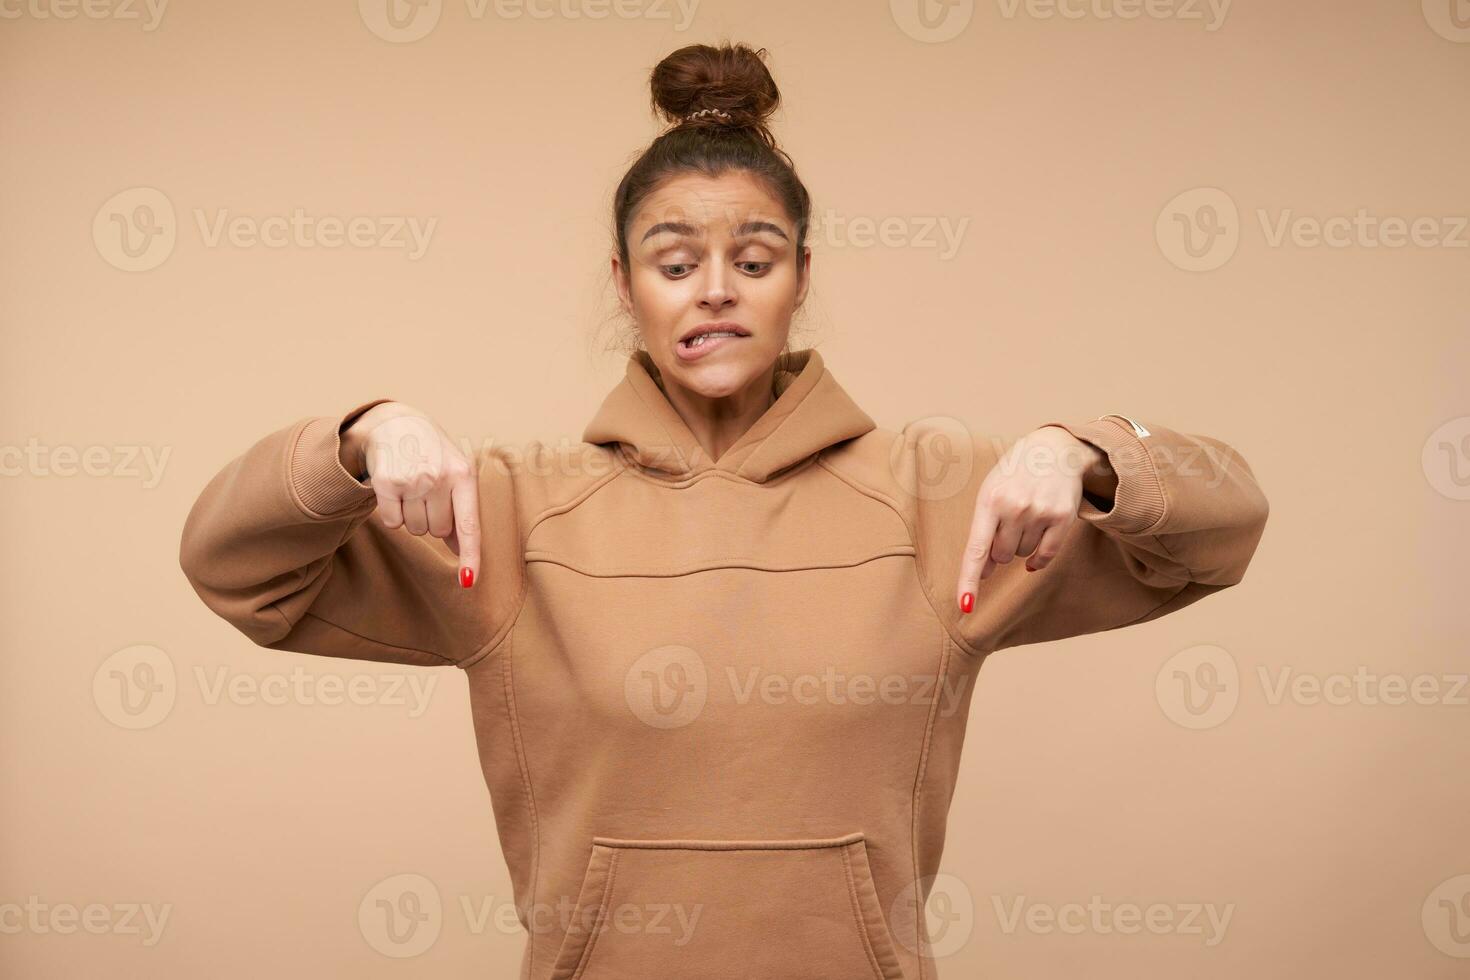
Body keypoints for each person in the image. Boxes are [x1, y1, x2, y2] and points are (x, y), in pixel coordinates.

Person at [179, 41, 1269, 980]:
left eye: (752, 258)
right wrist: (359, 435)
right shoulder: (508, 505)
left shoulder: (940, 494)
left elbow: (1216, 537)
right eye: (675, 260)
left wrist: (1087, 451)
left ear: (799, 275)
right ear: (625, 282)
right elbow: (240, 573)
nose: (714, 289)